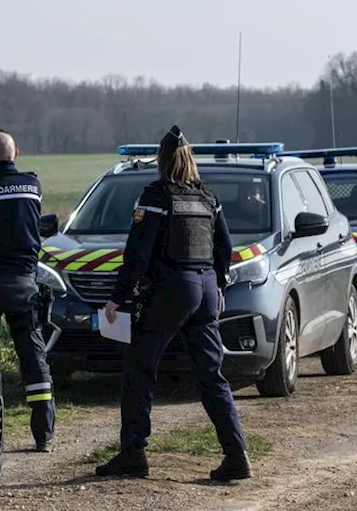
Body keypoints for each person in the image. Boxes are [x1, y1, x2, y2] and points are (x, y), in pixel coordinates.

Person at [95, 125, 252, 482]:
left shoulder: (155, 196)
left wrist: (118, 298)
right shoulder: (208, 198)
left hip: (171, 290)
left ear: (162, 161)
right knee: (212, 376)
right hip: (207, 290)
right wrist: (220, 285)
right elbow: (224, 249)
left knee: (140, 370)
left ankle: (133, 453)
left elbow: (138, 254)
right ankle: (236, 454)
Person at [0, 130, 55, 452]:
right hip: (24, 284)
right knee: (34, 359)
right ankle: (44, 434)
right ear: (16, 152)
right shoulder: (32, 186)